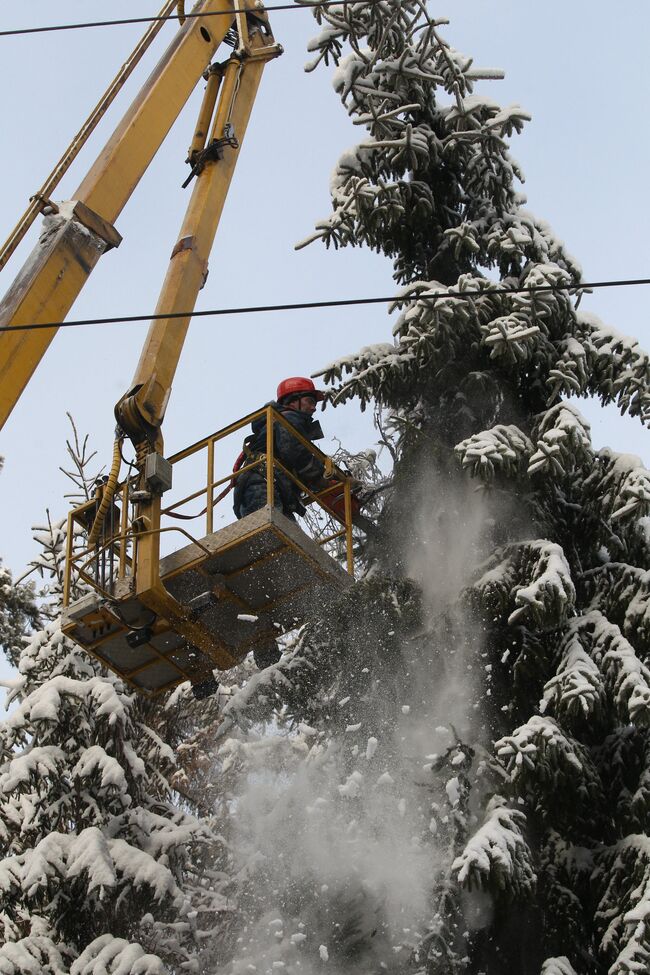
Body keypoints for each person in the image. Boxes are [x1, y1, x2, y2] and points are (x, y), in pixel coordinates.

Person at [233, 377, 327, 521]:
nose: (314, 407)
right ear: (293, 401)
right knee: (272, 535)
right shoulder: (289, 418)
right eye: (310, 401)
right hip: (262, 485)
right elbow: (294, 452)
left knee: (290, 537)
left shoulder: (279, 420)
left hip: (270, 488)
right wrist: (321, 476)